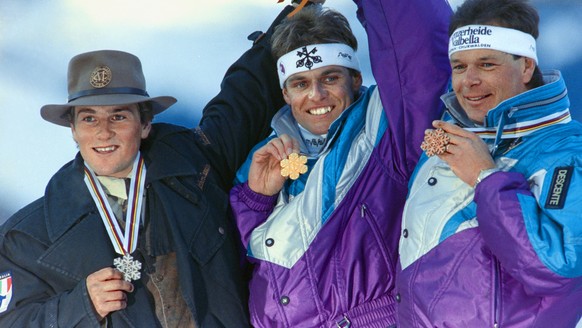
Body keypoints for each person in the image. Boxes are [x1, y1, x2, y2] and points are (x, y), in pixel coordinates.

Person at [0, 3, 302, 325]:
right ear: (73, 130)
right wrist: (81, 305)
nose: (103, 131)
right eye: (89, 119)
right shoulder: (26, 236)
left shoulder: (196, 164)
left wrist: (292, 24)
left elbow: (244, 99)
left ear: (145, 125)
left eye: (118, 116)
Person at [229, 0, 452, 326]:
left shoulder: (387, 131)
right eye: (300, 84)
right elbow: (225, 267)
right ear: (285, 95)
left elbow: (417, 45)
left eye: (330, 78)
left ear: (356, 79)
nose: (316, 95)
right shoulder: (262, 158)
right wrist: (255, 200)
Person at [396, 0, 582, 326]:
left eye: (486, 65)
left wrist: (486, 177)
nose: (469, 81)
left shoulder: (568, 151)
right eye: (458, 66)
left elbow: (558, 265)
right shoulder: (449, 139)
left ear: (525, 66)